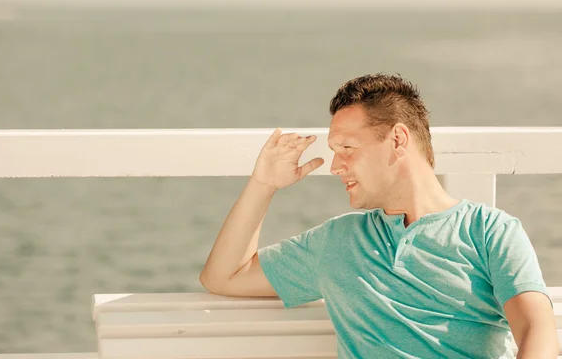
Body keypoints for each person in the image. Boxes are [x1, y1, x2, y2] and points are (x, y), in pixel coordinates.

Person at [199, 73, 558, 358]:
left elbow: (535, 329)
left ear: (399, 139)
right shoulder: (337, 241)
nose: (336, 166)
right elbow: (224, 276)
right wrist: (264, 184)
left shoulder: (489, 230)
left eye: (348, 149)